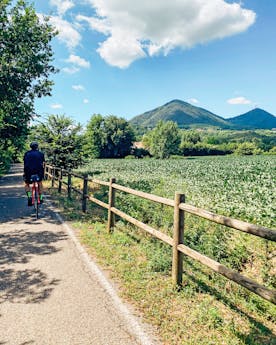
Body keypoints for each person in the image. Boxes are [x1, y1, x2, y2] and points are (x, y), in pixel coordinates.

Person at [23, 141, 45, 206]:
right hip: (39, 172)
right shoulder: (41, 154)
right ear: (37, 147)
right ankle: (41, 198)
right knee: (40, 183)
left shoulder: (26, 153)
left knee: (27, 184)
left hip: (28, 172)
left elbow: (25, 164)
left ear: (31, 147)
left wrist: (24, 172)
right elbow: (43, 163)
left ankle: (29, 196)